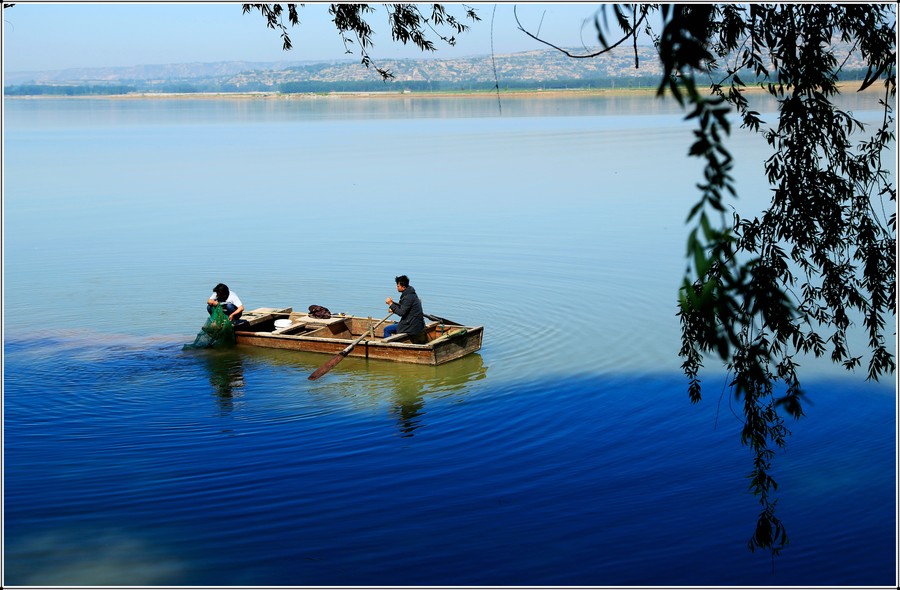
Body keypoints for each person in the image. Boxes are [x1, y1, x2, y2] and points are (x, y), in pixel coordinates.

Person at [384, 275, 425, 341]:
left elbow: (401, 313)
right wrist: (394, 309)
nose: (397, 287)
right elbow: (405, 308)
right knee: (396, 324)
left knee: (387, 329)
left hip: (411, 326)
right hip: (416, 324)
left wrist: (390, 304)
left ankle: (387, 346)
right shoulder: (411, 294)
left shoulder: (407, 297)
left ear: (403, 287)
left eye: (398, 286)